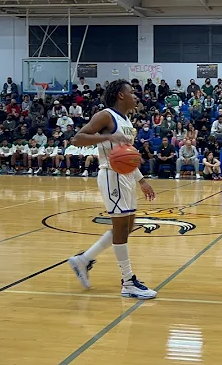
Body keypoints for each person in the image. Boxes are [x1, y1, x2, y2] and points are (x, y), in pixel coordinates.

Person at [67, 79, 157, 300]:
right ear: (120, 95)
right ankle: (128, 282)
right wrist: (108, 136)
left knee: (128, 227)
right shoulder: (105, 116)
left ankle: (83, 260)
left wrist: (141, 180)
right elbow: (77, 138)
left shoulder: (127, 121)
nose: (135, 95)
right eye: (131, 91)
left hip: (125, 177)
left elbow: (127, 156)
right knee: (121, 226)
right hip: (111, 176)